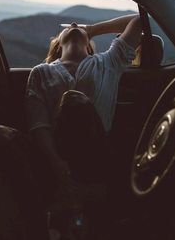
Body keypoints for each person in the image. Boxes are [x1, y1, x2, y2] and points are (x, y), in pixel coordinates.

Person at [25, 14, 142, 237]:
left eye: (77, 26)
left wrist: (92, 29)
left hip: (97, 157)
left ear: (90, 48)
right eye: (69, 27)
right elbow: (39, 125)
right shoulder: (41, 72)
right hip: (57, 157)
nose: (74, 24)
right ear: (58, 45)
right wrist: (59, 166)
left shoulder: (108, 61)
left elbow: (138, 20)